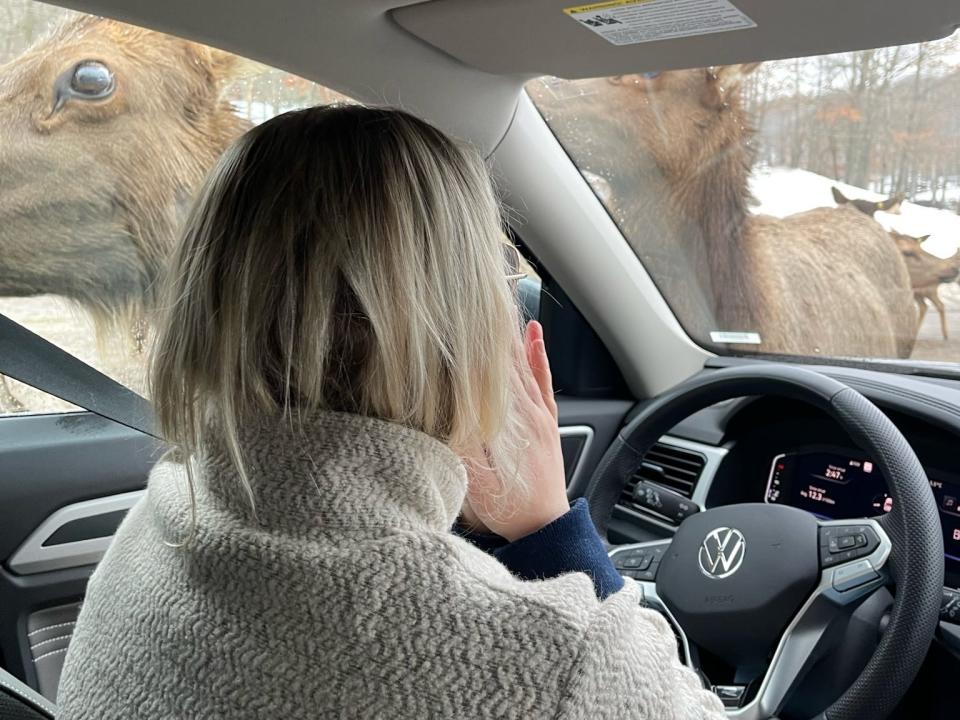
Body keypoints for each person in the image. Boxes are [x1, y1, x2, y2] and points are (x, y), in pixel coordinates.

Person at [56, 105, 724, 719]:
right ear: (460, 322)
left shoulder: (157, 523)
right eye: (498, 269)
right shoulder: (550, 664)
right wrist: (552, 535)